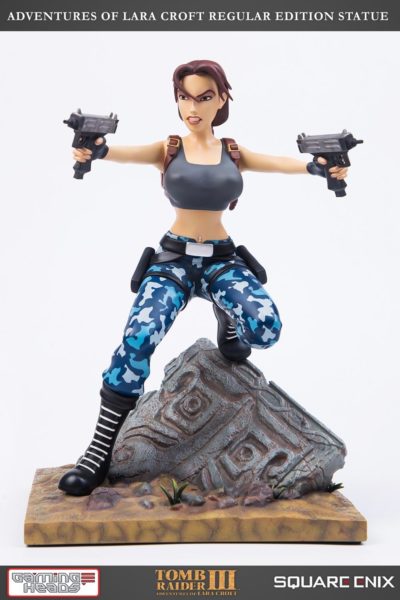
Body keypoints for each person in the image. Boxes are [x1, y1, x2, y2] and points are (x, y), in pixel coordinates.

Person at [58, 60, 348, 496]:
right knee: (137, 341)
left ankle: (227, 320)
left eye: (204, 97)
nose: (192, 107)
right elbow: (117, 152)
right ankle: (99, 451)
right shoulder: (168, 149)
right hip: (173, 261)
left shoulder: (233, 152)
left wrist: (320, 168)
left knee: (265, 329)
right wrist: (93, 151)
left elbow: (283, 163)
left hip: (220, 261)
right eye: (185, 97)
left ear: (222, 99)